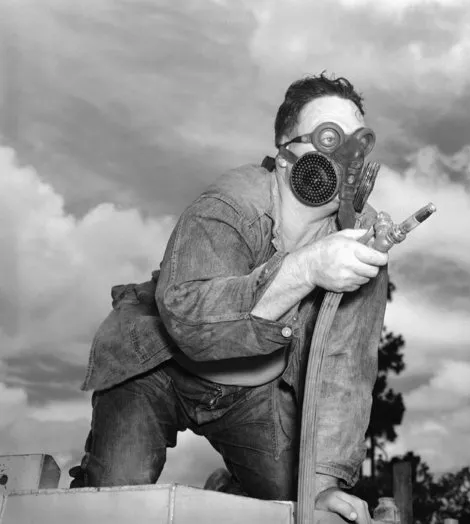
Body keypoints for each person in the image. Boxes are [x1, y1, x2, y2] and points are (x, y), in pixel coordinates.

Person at [70, 72, 390, 524]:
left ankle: (231, 487)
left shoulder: (360, 237)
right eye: (328, 138)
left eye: (358, 142)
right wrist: (305, 267)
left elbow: (346, 363)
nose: (344, 158)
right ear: (284, 149)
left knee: (297, 505)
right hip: (158, 367)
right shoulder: (229, 203)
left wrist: (321, 484)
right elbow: (188, 324)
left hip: (252, 390)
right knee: (114, 501)